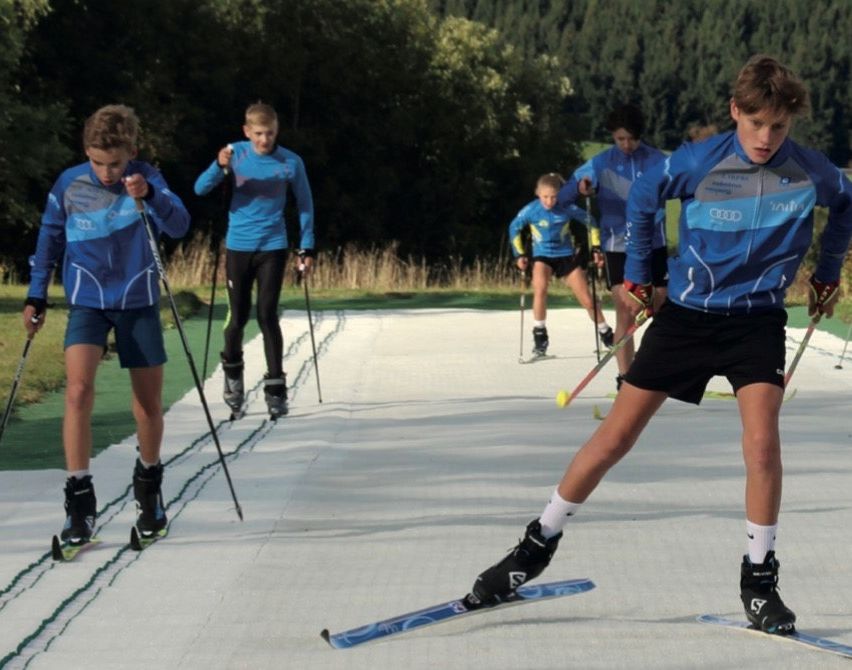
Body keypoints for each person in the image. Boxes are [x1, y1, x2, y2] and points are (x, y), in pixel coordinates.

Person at [465, 55, 852, 635]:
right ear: (734, 112)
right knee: (615, 436)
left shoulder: (809, 170)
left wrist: (827, 272)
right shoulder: (698, 161)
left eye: (779, 126)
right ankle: (534, 547)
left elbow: (847, 201)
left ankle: (759, 583)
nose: (767, 139)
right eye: (755, 125)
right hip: (687, 319)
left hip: (757, 321)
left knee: (763, 447)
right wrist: (642, 273)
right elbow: (645, 195)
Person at [23, 104, 191, 545]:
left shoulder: (147, 179)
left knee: (147, 404)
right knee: (77, 390)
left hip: (137, 299)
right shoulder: (69, 184)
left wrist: (150, 197)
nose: (106, 172)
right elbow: (49, 239)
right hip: (87, 301)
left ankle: (150, 492)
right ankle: (79, 502)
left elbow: (179, 224)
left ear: (131, 152)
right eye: (97, 162)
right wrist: (36, 294)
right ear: (86, 152)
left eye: (115, 163)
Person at [194, 102, 314, 419]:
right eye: (259, 134)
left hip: (273, 246)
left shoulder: (291, 161)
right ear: (247, 131)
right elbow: (200, 188)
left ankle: (276, 389)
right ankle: (233, 371)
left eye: (270, 133)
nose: (265, 140)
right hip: (239, 246)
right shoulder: (234, 154)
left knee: (267, 315)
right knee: (237, 318)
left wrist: (307, 247)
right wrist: (218, 166)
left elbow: (304, 204)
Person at [558, 104, 669, 387]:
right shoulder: (600, 162)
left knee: (660, 302)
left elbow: (680, 186)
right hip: (617, 244)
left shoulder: (657, 159)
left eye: (631, 138)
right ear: (613, 137)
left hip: (652, 241)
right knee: (624, 308)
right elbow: (563, 197)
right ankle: (626, 377)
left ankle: (650, 364)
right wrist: (579, 188)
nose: (627, 145)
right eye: (620, 139)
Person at [508, 173, 613, 356]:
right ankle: (540, 336)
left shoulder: (566, 207)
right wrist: (520, 255)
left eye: (554, 196)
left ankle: (606, 333)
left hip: (566, 256)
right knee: (540, 289)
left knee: (587, 300)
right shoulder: (531, 210)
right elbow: (514, 227)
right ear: (538, 194)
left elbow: (592, 223)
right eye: (545, 197)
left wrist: (596, 247)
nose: (549, 201)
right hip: (543, 256)